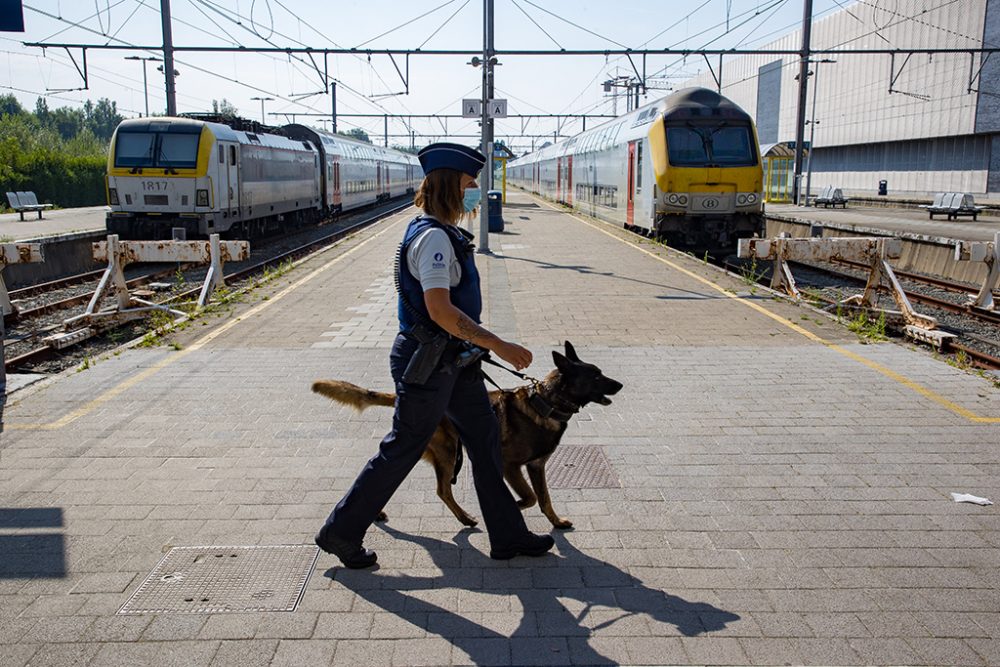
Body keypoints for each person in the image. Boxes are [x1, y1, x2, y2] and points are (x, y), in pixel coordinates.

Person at [315, 142, 555, 568]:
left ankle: (508, 536)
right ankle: (340, 531)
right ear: (450, 188)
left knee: (484, 443)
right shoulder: (432, 241)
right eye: (470, 184)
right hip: (429, 366)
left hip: (456, 363)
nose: (476, 191)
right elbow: (440, 310)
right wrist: (498, 344)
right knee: (403, 447)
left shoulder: (441, 233)